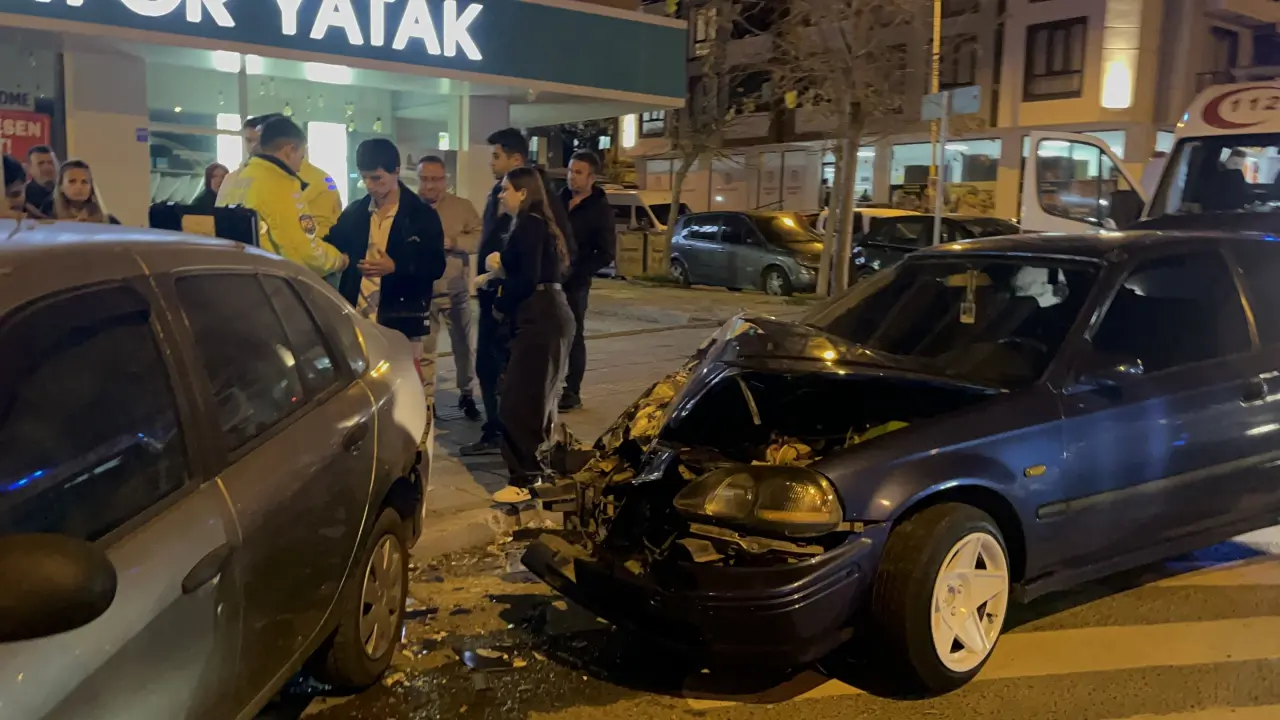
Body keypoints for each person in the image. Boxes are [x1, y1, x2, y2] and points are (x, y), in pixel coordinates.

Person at [461, 128, 574, 456]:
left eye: (496, 156)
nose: (491, 163)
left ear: (516, 159)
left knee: (520, 383)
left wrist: (513, 296)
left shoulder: (535, 211)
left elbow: (557, 255)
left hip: (521, 306)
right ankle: (498, 432)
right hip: (499, 298)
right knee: (489, 367)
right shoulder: (500, 195)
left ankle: (521, 451)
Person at [330, 139, 446, 393]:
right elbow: (331, 243)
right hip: (358, 318)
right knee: (363, 390)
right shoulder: (356, 212)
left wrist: (396, 266)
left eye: (377, 178)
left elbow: (436, 265)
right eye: (365, 179)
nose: (370, 186)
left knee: (404, 390)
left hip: (401, 318)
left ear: (396, 171)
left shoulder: (420, 215)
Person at [488, 166, 574, 503]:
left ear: (523, 192)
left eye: (505, 189)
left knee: (519, 401)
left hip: (540, 317)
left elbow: (525, 278)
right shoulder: (542, 224)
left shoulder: (528, 224)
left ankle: (525, 479)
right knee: (537, 398)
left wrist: (499, 302)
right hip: (550, 313)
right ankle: (534, 472)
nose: (500, 195)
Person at [217, 117, 348, 277]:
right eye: (301, 156)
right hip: (269, 282)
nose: (300, 166)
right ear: (289, 150)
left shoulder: (233, 180)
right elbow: (302, 248)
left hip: (233, 275)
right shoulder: (281, 183)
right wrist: (339, 260)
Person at [417, 155, 483, 421]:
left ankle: (467, 394)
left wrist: (454, 242)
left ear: (445, 181)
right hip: (421, 292)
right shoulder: (408, 207)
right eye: (424, 179)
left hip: (455, 291)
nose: (429, 186)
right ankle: (426, 401)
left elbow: (479, 236)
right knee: (424, 349)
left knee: (463, 347)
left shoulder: (462, 207)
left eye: (435, 179)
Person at [558, 149, 616, 412]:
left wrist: (579, 271)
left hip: (576, 283)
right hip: (550, 278)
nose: (572, 177)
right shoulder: (559, 199)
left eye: (578, 173)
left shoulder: (599, 210)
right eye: (570, 171)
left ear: (592, 177)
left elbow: (606, 253)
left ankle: (572, 390)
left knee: (574, 335)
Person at [41, 160, 120, 224]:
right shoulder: (47, 215)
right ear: (61, 186)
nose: (79, 187)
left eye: (84, 182)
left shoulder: (109, 221)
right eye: (72, 181)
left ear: (91, 187)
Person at [24, 145, 58, 217]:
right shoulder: (22, 195)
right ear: (29, 169)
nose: (47, 167)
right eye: (41, 163)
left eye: (50, 163)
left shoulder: (66, 192)